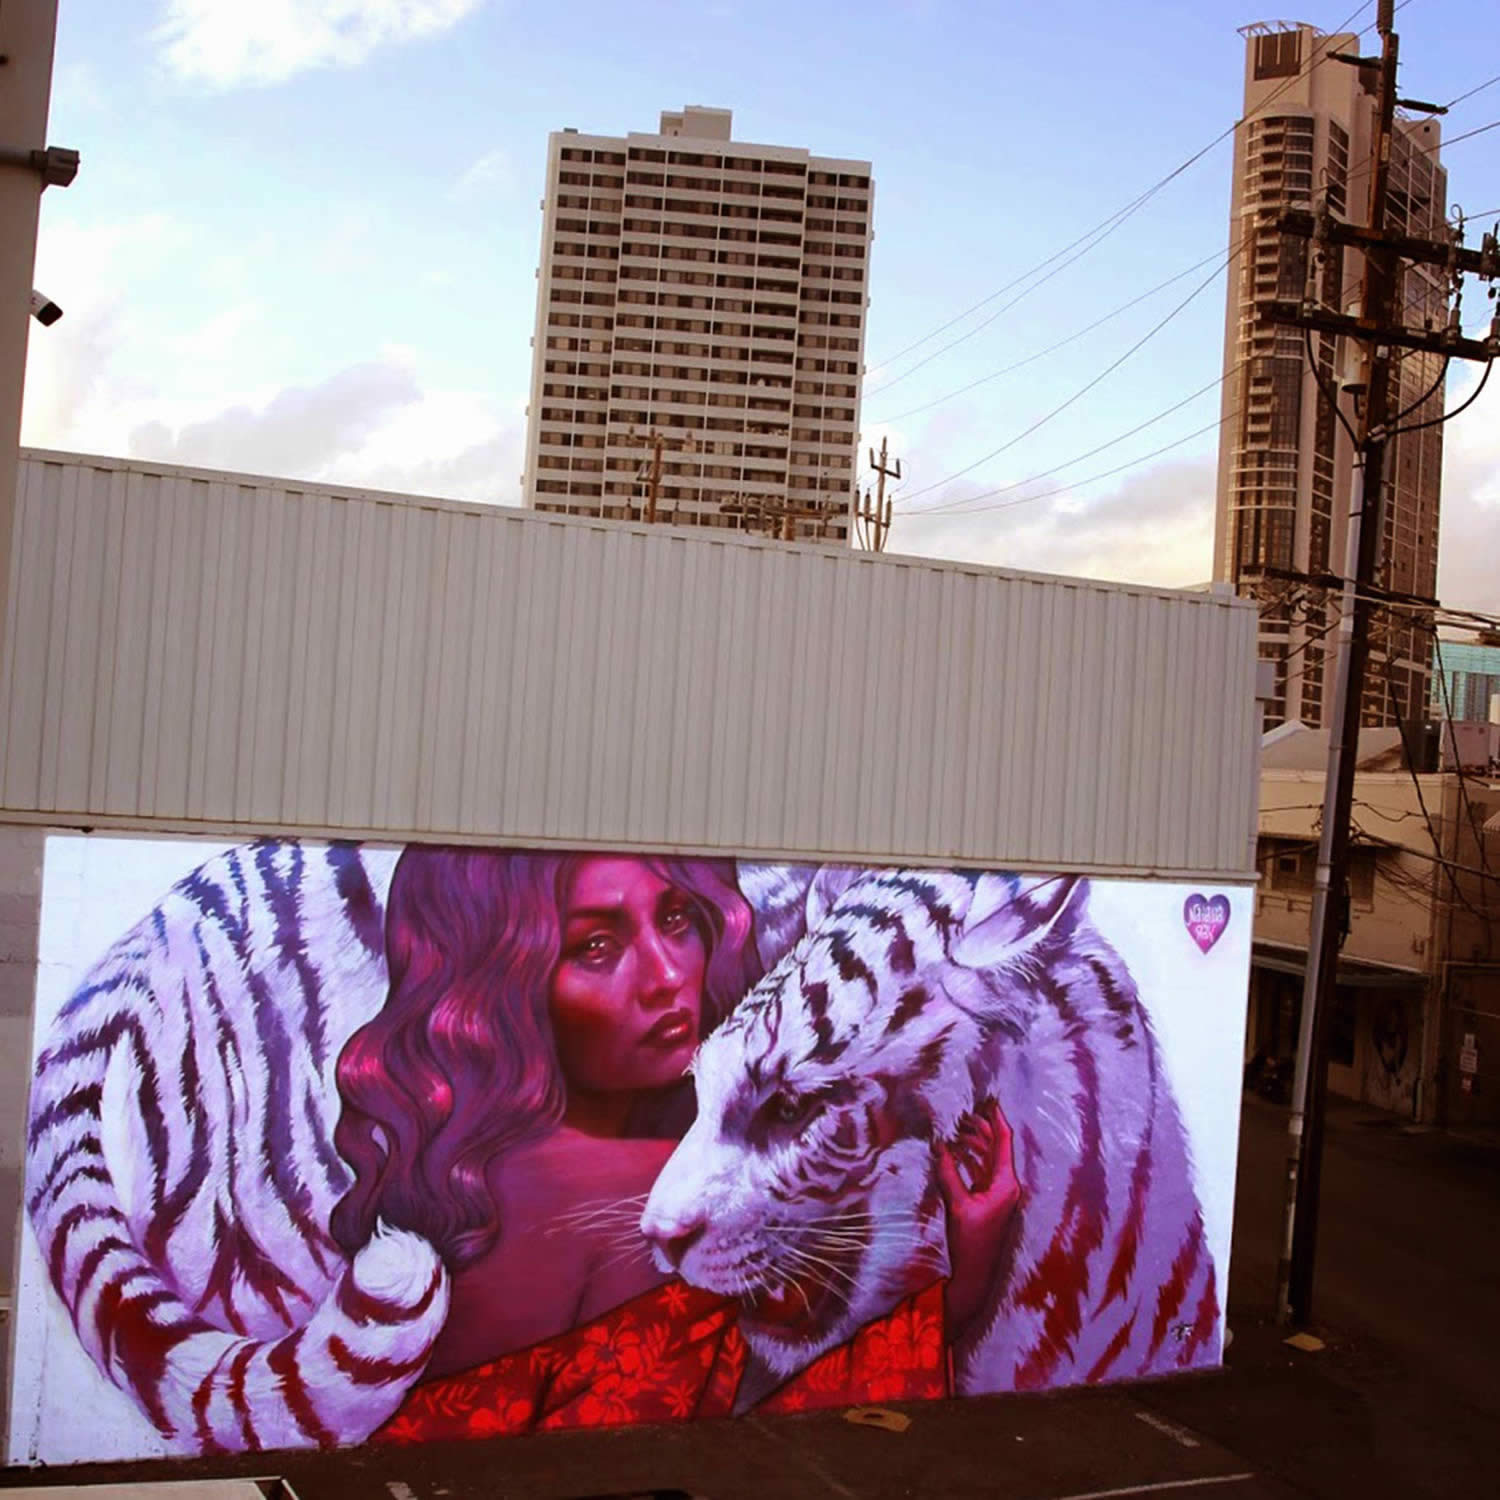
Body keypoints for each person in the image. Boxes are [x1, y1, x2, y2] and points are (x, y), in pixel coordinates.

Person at [330, 845, 1020, 1440]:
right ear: (499, 983)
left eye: (676, 919)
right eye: (595, 947)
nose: (665, 976)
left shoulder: (470, 1171)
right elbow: (784, 1414)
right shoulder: (639, 1188)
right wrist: (964, 1288)